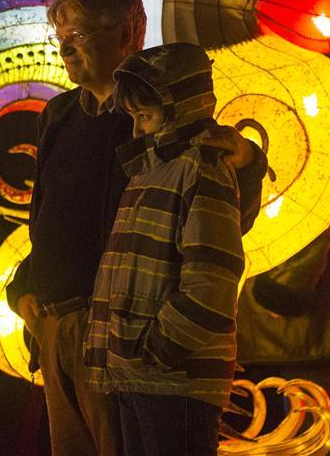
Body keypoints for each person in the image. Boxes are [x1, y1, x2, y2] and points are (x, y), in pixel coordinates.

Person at [7, 0, 265, 456]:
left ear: (128, 31)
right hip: (55, 326)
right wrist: (25, 290)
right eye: (60, 38)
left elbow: (223, 220)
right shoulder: (58, 116)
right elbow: (47, 220)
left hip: (124, 333)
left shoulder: (164, 114)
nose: (65, 50)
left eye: (78, 36)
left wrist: (247, 161)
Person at [84, 43, 250, 456]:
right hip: (139, 371)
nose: (138, 130)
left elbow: (211, 280)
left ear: (181, 108)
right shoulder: (147, 171)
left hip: (175, 378)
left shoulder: (201, 168)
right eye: (135, 117)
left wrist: (157, 349)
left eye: (146, 116)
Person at [234, 206, 330, 455]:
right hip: (267, 319)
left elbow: (313, 218)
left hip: (289, 319)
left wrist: (283, 289)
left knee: (323, 424)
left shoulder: (311, 171)